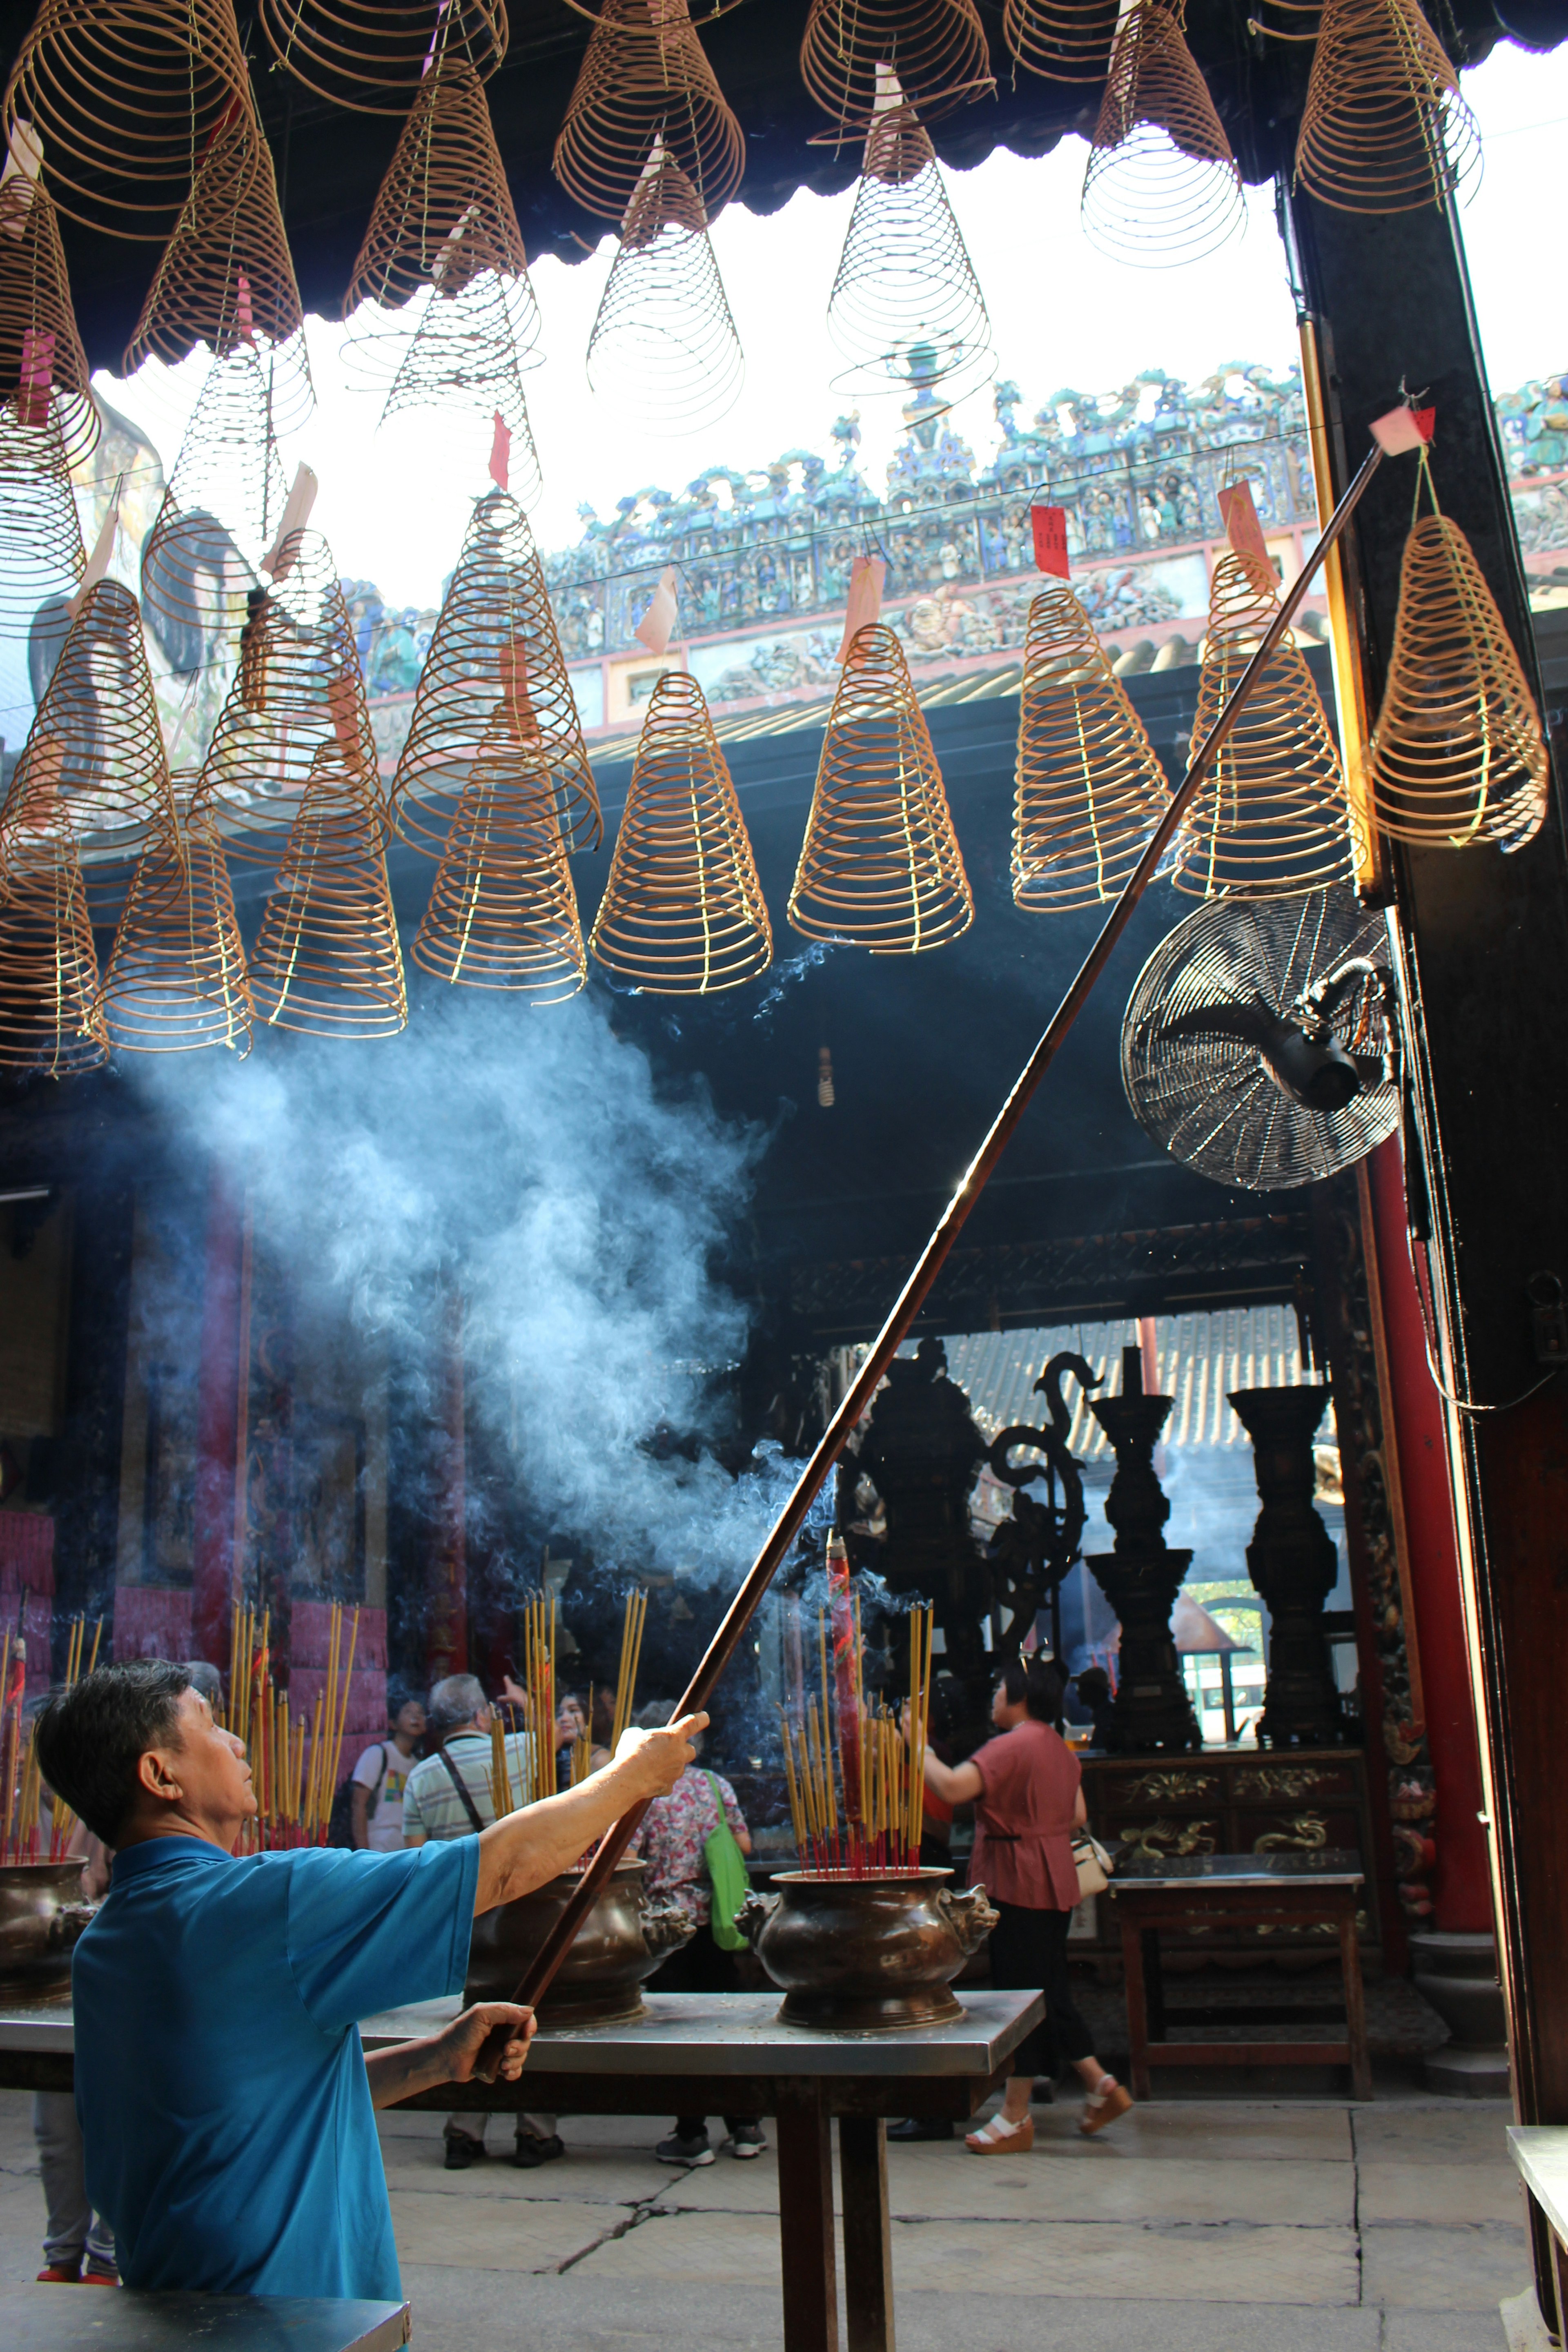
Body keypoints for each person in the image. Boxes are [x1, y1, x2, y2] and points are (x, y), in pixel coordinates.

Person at [35, 1657, 703, 2298]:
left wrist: (436, 2061)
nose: (236, 1742)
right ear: (160, 1774)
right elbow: (502, 1867)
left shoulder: (104, 1947)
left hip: (174, 2300)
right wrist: (632, 1775)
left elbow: (254, 2109)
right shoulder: (262, 1904)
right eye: (209, 1724)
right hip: (296, 2312)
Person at [913, 1655, 1132, 2147]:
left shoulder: (1011, 1746)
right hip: (1053, 1878)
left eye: (999, 1689)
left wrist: (917, 1748)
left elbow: (951, 1787)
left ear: (1019, 1695)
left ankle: (1015, 2117)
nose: (993, 1697)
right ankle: (1101, 2086)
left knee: (1020, 2002)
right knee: (1048, 1991)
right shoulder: (1058, 1747)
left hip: (1016, 1881)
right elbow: (1076, 1814)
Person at [401, 1672, 559, 2171]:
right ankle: (534, 2131)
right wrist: (527, 1702)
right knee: (526, 2019)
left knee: (470, 2020)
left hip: (464, 1919)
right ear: (480, 1716)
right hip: (524, 1914)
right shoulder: (520, 1750)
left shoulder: (420, 1777)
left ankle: (464, 2131)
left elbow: (415, 1861)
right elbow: (560, 1732)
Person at [629, 1701, 765, 2166]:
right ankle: (745, 2125)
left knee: (680, 2032)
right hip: (716, 1922)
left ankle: (692, 2134)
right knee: (726, 2024)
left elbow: (630, 1857)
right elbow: (744, 1844)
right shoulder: (715, 1785)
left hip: (669, 1927)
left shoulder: (647, 1792)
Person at [33, 1825, 116, 2285]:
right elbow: (76, 1886)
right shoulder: (96, 1811)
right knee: (58, 2134)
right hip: (74, 1990)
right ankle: (62, 2254)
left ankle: (108, 2256)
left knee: (121, 2130)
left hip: (139, 1998)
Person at [351, 1690, 427, 1852]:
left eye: (421, 1713)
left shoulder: (420, 1766)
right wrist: (364, 1852)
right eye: (408, 1712)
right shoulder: (378, 1754)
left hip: (407, 1851)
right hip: (378, 1848)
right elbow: (359, 1804)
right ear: (393, 1723)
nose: (416, 1717)